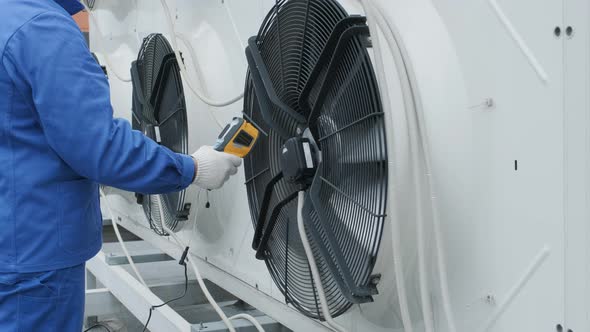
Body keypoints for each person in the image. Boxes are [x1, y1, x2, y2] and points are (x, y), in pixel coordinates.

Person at [0, 0, 242, 330]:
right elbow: (98, 146)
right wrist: (193, 168)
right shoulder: (45, 29)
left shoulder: (10, 17)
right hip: (35, 258)